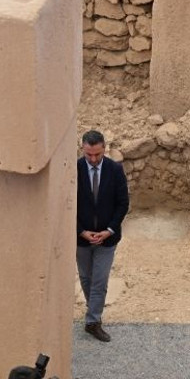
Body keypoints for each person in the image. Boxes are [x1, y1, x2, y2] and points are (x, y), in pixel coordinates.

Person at [76, 130, 129, 342]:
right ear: (83, 149)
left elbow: (123, 203)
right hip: (81, 238)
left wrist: (109, 231)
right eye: (89, 154)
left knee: (99, 280)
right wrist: (81, 231)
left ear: (104, 149)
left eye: (97, 154)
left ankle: (92, 321)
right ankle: (93, 313)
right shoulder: (74, 169)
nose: (93, 159)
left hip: (108, 238)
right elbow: (66, 204)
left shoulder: (115, 170)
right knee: (86, 278)